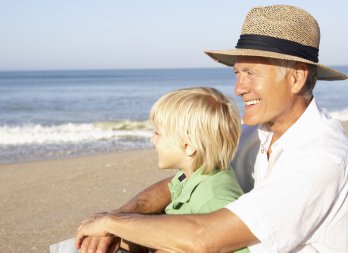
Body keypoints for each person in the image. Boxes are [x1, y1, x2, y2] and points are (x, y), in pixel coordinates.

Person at [76, 5, 348, 253]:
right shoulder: (256, 135)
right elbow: (186, 181)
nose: (238, 88)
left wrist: (113, 223)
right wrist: (119, 219)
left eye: (251, 73)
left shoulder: (320, 158)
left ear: (296, 77)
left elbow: (205, 238)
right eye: (237, 73)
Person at [115, 87, 248, 253]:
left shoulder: (214, 196)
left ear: (188, 147)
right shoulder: (191, 175)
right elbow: (170, 189)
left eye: (158, 133)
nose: (152, 139)